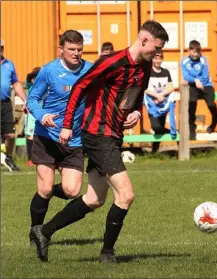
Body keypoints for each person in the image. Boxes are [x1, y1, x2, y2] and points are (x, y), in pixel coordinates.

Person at [30, 20, 169, 263]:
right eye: (156, 48)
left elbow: (138, 95)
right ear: (144, 40)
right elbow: (79, 88)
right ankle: (107, 253)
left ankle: (44, 231)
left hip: (114, 136)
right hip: (97, 135)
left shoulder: (144, 67)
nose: (157, 54)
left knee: (94, 199)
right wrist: (65, 125)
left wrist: (136, 112)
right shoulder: (111, 62)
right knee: (125, 195)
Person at [26, 30, 92, 244]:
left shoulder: (90, 70)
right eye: (71, 49)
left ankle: (46, 202)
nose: (76, 54)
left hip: (73, 140)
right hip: (47, 137)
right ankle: (36, 232)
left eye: (80, 50)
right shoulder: (49, 71)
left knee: (71, 190)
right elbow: (32, 99)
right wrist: (42, 114)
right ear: (61, 49)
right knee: (44, 188)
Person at [181, 40, 217, 140]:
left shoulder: (203, 59)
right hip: (193, 85)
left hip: (206, 85)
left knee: (211, 104)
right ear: (189, 51)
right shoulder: (184, 61)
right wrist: (194, 80)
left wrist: (198, 80)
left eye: (198, 52)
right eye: (194, 52)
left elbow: (205, 75)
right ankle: (192, 127)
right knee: (192, 104)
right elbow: (185, 75)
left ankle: (215, 120)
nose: (196, 54)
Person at [1, 39, 26, 171]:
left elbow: (16, 84)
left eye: (1, 48)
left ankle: (8, 157)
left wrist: (24, 100)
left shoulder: (9, 64)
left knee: (10, 135)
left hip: (5, 104)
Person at [144, 49, 176, 153]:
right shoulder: (148, 71)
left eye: (159, 58)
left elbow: (171, 87)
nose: (157, 60)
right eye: (155, 58)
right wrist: (156, 96)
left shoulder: (166, 72)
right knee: (156, 127)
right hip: (152, 105)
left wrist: (162, 95)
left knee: (160, 128)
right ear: (152, 59)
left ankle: (154, 151)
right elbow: (144, 88)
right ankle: (174, 132)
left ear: (162, 59)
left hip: (163, 104)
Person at [24, 67, 41, 167]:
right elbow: (28, 77)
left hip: (41, 113)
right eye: (34, 77)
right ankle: (30, 159)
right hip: (31, 114)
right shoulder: (31, 87)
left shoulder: (44, 86)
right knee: (31, 135)